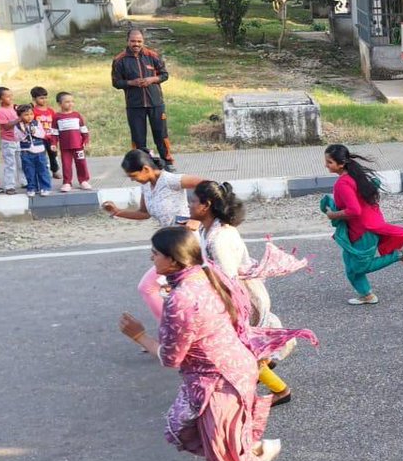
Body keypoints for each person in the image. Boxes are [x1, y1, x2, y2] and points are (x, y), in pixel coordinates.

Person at [144, 226, 315, 461]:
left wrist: (138, 336)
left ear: (173, 260)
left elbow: (171, 357)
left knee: (222, 453)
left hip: (218, 381)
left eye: (155, 253)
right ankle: (254, 449)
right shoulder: (208, 274)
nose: (151, 257)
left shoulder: (182, 298)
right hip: (234, 366)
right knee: (188, 427)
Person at [187, 180, 297, 405]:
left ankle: (280, 390)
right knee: (244, 347)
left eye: (192, 202)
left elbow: (228, 280)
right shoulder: (206, 228)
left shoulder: (219, 239)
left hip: (241, 299)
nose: (189, 206)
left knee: (241, 349)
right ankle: (261, 367)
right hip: (233, 296)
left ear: (206, 205)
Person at [103, 150, 205, 333]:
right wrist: (117, 211)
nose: (133, 180)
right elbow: (144, 213)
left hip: (186, 246)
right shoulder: (146, 186)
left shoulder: (170, 180)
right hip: (169, 247)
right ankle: (178, 331)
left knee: (151, 287)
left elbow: (206, 185)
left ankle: (172, 332)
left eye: (134, 176)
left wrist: (197, 218)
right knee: (170, 291)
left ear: (145, 168)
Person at [322, 145, 403, 305]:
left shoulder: (343, 183)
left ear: (341, 164)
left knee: (361, 266)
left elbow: (354, 210)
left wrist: (333, 214)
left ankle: (398, 255)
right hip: (355, 231)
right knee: (350, 265)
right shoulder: (355, 176)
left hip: (363, 232)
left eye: (329, 162)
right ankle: (367, 295)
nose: (326, 165)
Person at [112, 28, 175, 171]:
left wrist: (152, 79)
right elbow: (116, 82)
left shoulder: (152, 55)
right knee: (138, 137)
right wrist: (131, 83)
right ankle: (141, 165)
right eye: (133, 41)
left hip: (156, 103)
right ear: (127, 41)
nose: (136, 44)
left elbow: (164, 75)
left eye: (139, 41)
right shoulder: (119, 60)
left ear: (143, 41)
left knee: (161, 134)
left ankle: (168, 162)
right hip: (134, 105)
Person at [53, 91, 92, 192]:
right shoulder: (56, 117)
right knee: (66, 165)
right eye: (67, 102)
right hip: (65, 147)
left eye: (72, 101)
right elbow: (54, 132)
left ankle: (83, 180)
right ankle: (67, 182)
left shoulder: (77, 115)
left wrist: (85, 140)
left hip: (78, 146)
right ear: (59, 104)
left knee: (81, 163)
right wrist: (53, 143)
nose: (70, 104)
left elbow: (83, 129)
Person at [13, 104, 51, 198]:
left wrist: (35, 132)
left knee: (42, 170)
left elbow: (42, 134)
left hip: (40, 151)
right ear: (20, 116)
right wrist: (24, 132)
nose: (29, 116)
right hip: (26, 151)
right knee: (29, 171)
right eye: (26, 115)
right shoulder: (18, 126)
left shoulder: (37, 123)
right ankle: (31, 188)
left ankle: (45, 188)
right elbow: (17, 138)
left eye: (31, 114)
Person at [0, 87, 21, 194]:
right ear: (0, 99)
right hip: (8, 141)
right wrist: (18, 119)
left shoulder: (15, 108)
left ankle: (24, 181)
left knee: (22, 162)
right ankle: (9, 186)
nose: (11, 98)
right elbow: (6, 127)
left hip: (19, 139)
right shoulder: (1, 111)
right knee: (10, 164)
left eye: (11, 95)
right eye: (8, 96)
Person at [29, 86, 59, 179]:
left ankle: (55, 170)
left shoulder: (50, 110)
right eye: (41, 98)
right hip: (39, 138)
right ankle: (44, 172)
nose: (44, 100)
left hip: (50, 137)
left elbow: (54, 123)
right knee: (41, 156)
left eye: (45, 97)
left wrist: (55, 135)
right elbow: (31, 124)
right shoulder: (33, 111)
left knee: (53, 154)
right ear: (34, 99)